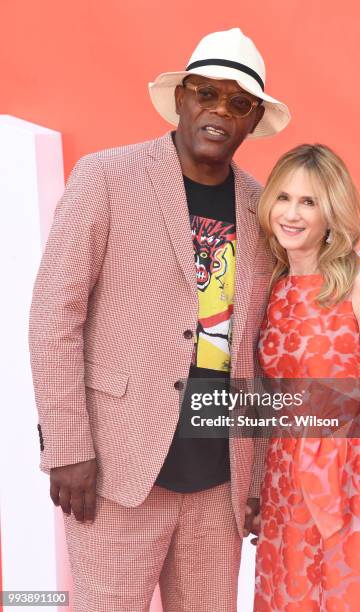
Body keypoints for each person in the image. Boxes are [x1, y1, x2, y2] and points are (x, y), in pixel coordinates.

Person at [28, 28, 290, 612]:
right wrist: (68, 446)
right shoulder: (108, 177)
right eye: (206, 92)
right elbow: (55, 316)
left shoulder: (262, 206)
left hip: (219, 478)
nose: (220, 111)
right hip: (118, 470)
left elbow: (257, 352)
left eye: (239, 103)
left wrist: (257, 475)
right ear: (180, 98)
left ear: (253, 121)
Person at [253, 144, 360, 611]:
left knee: (359, 596)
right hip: (284, 476)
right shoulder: (274, 284)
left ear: (332, 212)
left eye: (309, 202)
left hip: (349, 475)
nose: (291, 213)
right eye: (283, 197)